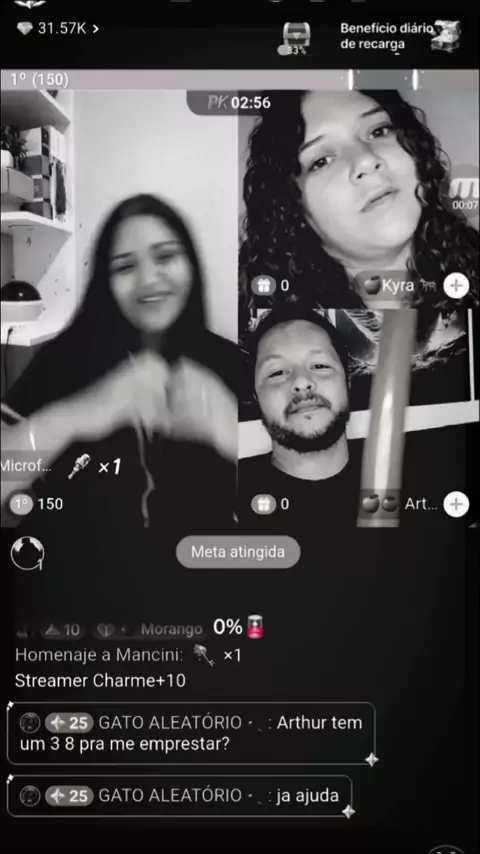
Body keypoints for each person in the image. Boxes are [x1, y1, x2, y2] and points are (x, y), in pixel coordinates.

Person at [1, 194, 239, 621]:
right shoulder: (63, 360)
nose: (149, 280)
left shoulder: (231, 365)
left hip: (202, 619)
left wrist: (230, 431)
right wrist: (78, 414)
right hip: (76, 623)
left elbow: (298, 510)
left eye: (166, 257)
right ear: (104, 282)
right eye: (125, 267)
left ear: (192, 264)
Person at [237, 302, 476, 535]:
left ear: (348, 384)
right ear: (255, 396)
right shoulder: (228, 505)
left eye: (320, 365)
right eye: (277, 372)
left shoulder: (430, 476)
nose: (301, 382)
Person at [240, 89, 479, 314]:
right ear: (293, 208)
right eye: (321, 161)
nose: (366, 160)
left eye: (378, 131)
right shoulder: (282, 333)